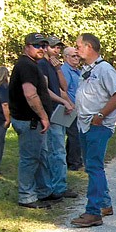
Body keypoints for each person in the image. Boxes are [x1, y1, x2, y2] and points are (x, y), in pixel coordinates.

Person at [71, 33, 116, 228]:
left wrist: (100, 115)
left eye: (78, 46)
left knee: (94, 167)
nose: (76, 50)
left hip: (98, 126)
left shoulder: (104, 70)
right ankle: (104, 204)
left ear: (89, 47)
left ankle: (93, 212)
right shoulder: (87, 70)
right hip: (85, 124)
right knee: (93, 165)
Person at [8, 32, 53, 209]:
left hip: (32, 121)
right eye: (37, 46)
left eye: (43, 46)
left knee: (40, 157)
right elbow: (30, 94)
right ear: (27, 46)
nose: (41, 49)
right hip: (30, 121)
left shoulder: (32, 64)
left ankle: (43, 192)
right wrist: (43, 117)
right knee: (30, 159)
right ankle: (26, 196)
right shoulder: (26, 65)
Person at [38, 36, 78, 201]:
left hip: (58, 113)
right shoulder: (41, 65)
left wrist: (59, 70)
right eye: (54, 48)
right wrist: (63, 101)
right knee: (56, 152)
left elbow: (63, 88)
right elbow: (45, 89)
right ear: (46, 48)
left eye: (59, 48)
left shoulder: (53, 67)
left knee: (58, 151)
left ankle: (59, 186)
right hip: (51, 113)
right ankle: (55, 188)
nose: (57, 51)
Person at [61, 46, 83, 171]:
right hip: (70, 108)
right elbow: (63, 90)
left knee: (74, 135)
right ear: (66, 57)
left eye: (77, 56)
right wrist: (70, 104)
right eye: (73, 56)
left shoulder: (77, 71)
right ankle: (75, 163)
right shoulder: (65, 71)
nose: (76, 58)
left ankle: (70, 160)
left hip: (78, 108)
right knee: (75, 135)